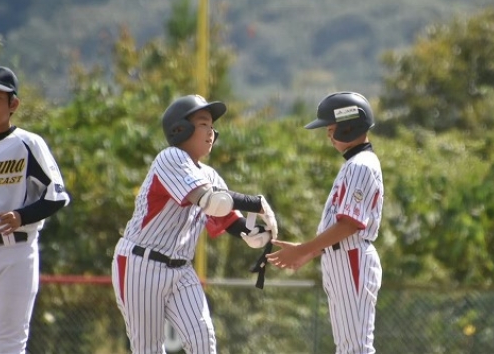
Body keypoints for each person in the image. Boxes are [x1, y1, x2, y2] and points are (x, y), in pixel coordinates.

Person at [111, 94, 278, 354]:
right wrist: (255, 203)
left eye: (212, 126)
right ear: (180, 129)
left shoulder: (209, 174)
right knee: (148, 349)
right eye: (203, 124)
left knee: (203, 340)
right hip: (141, 264)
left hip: (181, 270)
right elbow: (211, 201)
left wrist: (256, 233)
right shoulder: (170, 157)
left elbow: (228, 219)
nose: (211, 132)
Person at [0, 64, 71, 353]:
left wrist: (22, 216)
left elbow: (57, 195)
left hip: (15, 253)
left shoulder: (27, 144)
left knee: (9, 345)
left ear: (13, 104)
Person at [267, 91, 383, 354]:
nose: (329, 136)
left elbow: (349, 224)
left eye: (331, 129)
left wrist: (304, 249)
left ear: (348, 126)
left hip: (351, 257)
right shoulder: (355, 163)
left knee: (355, 348)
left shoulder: (361, 165)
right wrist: (310, 252)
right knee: (348, 346)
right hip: (342, 256)